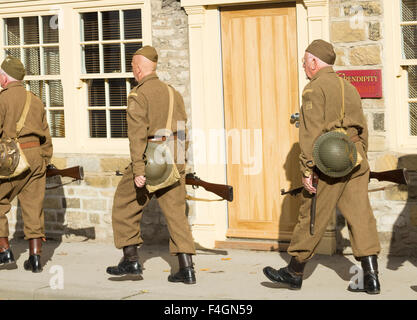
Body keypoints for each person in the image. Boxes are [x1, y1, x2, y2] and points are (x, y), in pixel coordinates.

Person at [263, 39, 381, 294]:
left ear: (314, 62)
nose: (304, 67)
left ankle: (294, 272)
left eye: (305, 62)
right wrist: (362, 158)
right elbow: (362, 128)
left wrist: (308, 170)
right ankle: (371, 277)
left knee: (313, 214)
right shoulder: (348, 87)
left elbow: (310, 134)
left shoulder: (313, 89)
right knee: (361, 215)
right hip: (355, 156)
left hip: (328, 160)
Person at [106, 46, 197, 284]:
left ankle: (130, 260)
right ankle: (187, 269)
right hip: (173, 158)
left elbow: (136, 136)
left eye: (132, 67)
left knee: (124, 205)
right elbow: (183, 129)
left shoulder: (138, 95)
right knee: (177, 215)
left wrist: (138, 170)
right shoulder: (172, 92)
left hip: (151, 159)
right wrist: (180, 162)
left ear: (137, 68)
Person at [0, 56, 53, 273]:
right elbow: (47, 136)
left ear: (4, 77)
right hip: (36, 155)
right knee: (33, 207)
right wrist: (46, 160)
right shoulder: (36, 99)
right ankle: (36, 258)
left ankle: (4, 250)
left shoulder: (2, 99)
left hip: (12, 156)